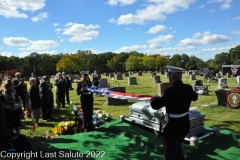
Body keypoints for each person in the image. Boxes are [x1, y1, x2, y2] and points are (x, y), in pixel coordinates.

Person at [150, 65, 198, 160]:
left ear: (172, 77)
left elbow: (155, 105)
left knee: (170, 153)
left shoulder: (169, 91)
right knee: (178, 148)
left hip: (173, 126)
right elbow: (195, 97)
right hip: (184, 123)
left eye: (169, 75)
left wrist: (154, 98)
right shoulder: (188, 88)